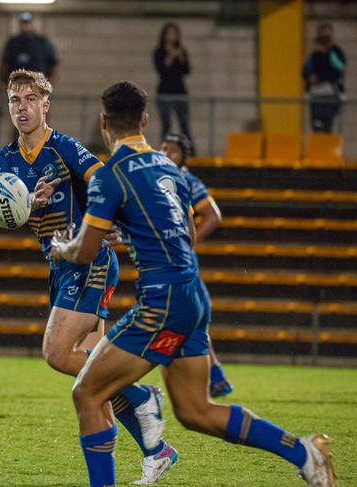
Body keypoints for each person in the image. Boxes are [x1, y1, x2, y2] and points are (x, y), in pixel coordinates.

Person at [51, 81, 336, 487]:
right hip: (193, 294)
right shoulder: (172, 170)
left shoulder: (110, 175)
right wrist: (132, 232)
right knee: (194, 411)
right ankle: (304, 452)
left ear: (103, 123)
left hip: (161, 301)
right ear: (146, 121)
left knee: (87, 393)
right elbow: (187, 232)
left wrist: (63, 246)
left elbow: (85, 251)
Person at [0, 70, 177, 484]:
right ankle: (156, 450)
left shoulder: (62, 148)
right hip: (59, 264)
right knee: (93, 383)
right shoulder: (2, 161)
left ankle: (143, 395)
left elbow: (102, 178)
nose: (21, 107)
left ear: (45, 105)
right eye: (14, 100)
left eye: (29, 99)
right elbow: (6, 214)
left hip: (88, 260)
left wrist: (105, 218)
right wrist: (29, 206)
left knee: (58, 353)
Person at [161, 133, 232, 397]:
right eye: (164, 148)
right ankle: (216, 376)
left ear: (184, 157)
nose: (167, 153)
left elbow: (213, 215)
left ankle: (211, 376)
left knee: (183, 314)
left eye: (174, 151)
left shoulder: (187, 181)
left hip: (180, 260)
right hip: (168, 260)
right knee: (194, 316)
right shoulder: (158, 177)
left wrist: (189, 242)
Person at [153, 22, 193, 151]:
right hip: (164, 91)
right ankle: (164, 151)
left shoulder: (181, 51)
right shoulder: (159, 52)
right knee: (166, 124)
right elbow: (161, 70)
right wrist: (170, 56)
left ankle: (190, 152)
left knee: (184, 124)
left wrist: (180, 56)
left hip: (180, 92)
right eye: (169, 33)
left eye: (173, 34)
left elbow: (187, 70)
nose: (171, 36)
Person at [0, 12, 59, 85]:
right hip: (16, 85)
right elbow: (4, 64)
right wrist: (2, 82)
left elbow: (55, 63)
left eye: (28, 22)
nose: (25, 25)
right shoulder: (12, 43)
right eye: (23, 23)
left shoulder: (42, 42)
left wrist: (49, 83)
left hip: (37, 86)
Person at [302, 33, 345, 133]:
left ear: (324, 46)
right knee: (316, 123)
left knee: (326, 123)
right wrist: (309, 78)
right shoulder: (312, 57)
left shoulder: (331, 56)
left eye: (318, 45)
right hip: (316, 94)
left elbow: (339, 70)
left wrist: (320, 78)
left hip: (327, 93)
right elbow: (305, 72)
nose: (315, 47)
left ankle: (325, 141)